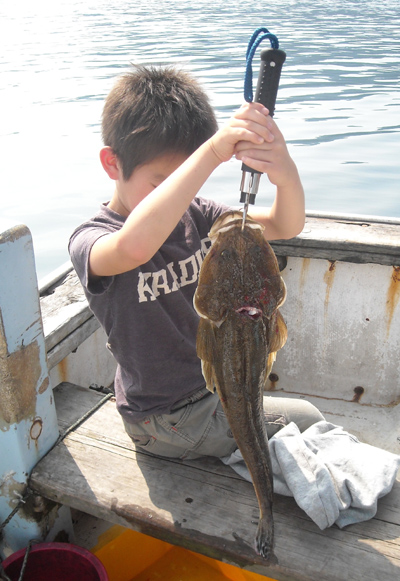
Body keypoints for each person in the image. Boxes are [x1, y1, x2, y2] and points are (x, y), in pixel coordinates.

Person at [69, 65, 323, 460]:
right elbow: (134, 248)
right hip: (160, 419)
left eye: (189, 180)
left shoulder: (199, 215)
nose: (182, 193)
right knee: (307, 422)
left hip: (214, 390)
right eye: (164, 183)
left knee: (301, 422)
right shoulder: (92, 240)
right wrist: (212, 152)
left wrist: (284, 170)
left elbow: (283, 224)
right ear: (112, 164)